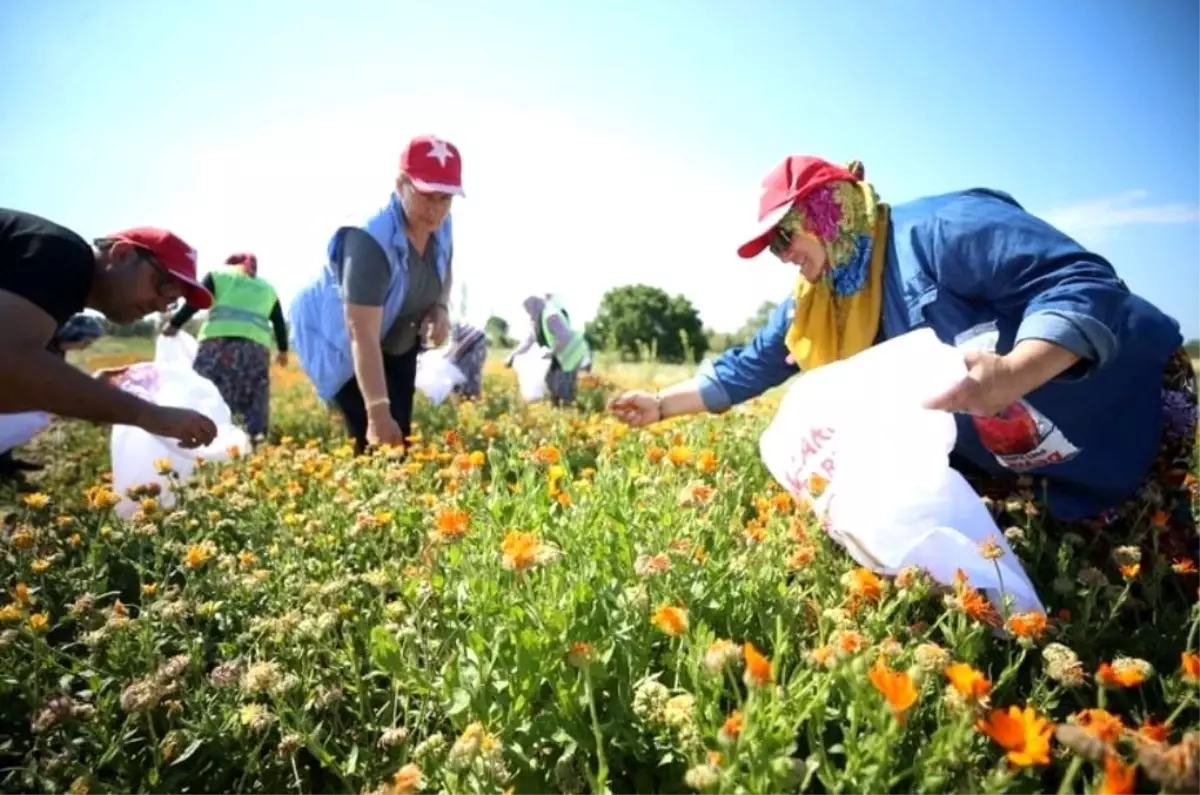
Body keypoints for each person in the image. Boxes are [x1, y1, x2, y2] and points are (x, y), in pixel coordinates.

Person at [608, 155, 1196, 564]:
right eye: (773, 248)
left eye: (787, 236)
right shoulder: (816, 307)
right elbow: (748, 366)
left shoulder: (942, 229)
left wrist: (1015, 371)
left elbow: (1080, 282)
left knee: (1175, 566)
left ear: (826, 211)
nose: (784, 255)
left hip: (1126, 394)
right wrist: (660, 404)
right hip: (1025, 453)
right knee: (1086, 576)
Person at [289, 135, 460, 454]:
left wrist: (440, 308)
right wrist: (377, 413)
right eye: (426, 196)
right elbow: (361, 334)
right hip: (345, 341)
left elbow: (444, 265)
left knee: (401, 437)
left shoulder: (442, 223)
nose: (436, 210)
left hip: (399, 336)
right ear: (401, 184)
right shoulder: (369, 239)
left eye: (445, 198)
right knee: (373, 437)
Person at [0, 209, 219, 449]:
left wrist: (93, 394)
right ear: (123, 254)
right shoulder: (64, 255)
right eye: (164, 287)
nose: (160, 306)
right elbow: (8, 363)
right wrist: (147, 415)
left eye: (172, 301)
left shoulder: (60, 288)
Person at [163, 252, 289, 443]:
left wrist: (174, 324)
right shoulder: (268, 288)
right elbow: (278, 322)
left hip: (217, 346)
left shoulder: (218, 276)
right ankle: (254, 441)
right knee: (253, 396)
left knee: (208, 391)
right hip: (255, 350)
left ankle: (204, 439)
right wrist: (283, 350)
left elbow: (195, 303)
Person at [0, 314, 107, 489]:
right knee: (31, 418)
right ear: (73, 334)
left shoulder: (55, 349)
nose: (84, 348)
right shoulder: (42, 347)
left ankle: (5, 462)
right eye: (86, 342)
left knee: (34, 417)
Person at [507, 294, 591, 406]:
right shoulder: (536, 320)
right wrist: (513, 355)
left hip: (572, 353)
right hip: (560, 355)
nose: (529, 314)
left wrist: (552, 352)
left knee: (562, 387)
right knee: (550, 381)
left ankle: (567, 413)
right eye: (527, 311)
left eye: (529, 310)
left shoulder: (551, 316)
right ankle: (558, 410)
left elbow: (564, 336)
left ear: (536, 306)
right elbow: (528, 342)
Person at [446, 321, 489, 400]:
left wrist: (445, 358)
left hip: (476, 344)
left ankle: (470, 398)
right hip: (474, 344)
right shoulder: (453, 327)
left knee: (469, 374)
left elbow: (453, 347)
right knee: (464, 373)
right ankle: (466, 398)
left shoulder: (454, 326)